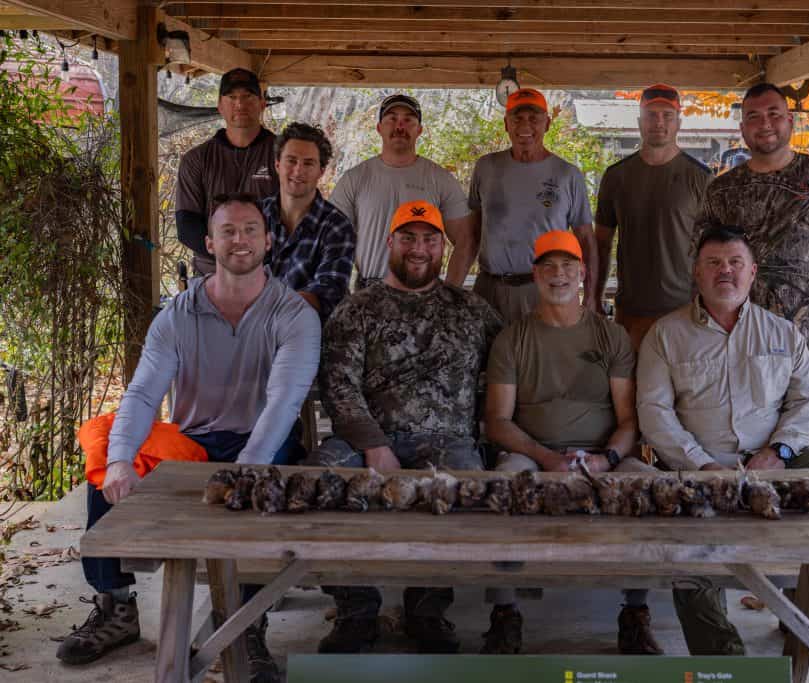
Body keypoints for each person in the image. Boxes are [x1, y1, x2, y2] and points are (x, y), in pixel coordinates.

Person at [58, 194, 321, 681]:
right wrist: (120, 461)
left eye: (249, 230)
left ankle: (247, 626)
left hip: (261, 440)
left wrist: (244, 470)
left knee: (264, 491)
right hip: (194, 438)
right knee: (106, 465)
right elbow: (141, 394)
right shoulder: (179, 313)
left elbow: (284, 401)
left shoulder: (294, 315)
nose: (239, 239)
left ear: (268, 240)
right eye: (228, 231)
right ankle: (115, 606)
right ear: (209, 242)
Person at [637, 225, 809, 656]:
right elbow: (654, 413)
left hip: (773, 460)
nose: (726, 271)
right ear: (697, 274)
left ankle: (808, 596)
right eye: (714, 263)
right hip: (699, 467)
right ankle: (722, 655)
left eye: (735, 263)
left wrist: (779, 452)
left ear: (752, 272)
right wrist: (703, 464)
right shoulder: (666, 335)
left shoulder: (781, 333)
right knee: (692, 551)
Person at [314, 200, 503, 654]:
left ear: (443, 246)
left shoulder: (472, 310)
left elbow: (509, 372)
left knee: (464, 486)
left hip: (448, 442)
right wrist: (376, 447)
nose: (419, 249)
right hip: (366, 441)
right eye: (409, 238)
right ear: (389, 243)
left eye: (430, 239)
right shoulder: (357, 309)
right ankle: (356, 612)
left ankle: (427, 611)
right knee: (319, 480)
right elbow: (339, 387)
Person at [483, 230, 661, 655]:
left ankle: (635, 613)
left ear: (583, 273)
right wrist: (545, 457)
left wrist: (608, 458)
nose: (557, 275)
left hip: (605, 456)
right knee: (503, 489)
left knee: (651, 488)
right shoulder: (513, 338)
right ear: (535, 274)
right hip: (531, 453)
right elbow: (497, 421)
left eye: (567, 266)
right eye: (548, 266)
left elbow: (628, 419)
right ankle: (504, 613)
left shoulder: (610, 336)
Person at [696, 82, 809, 445]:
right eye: (754, 117)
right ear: (742, 128)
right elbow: (705, 264)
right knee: (749, 437)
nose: (765, 124)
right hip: (744, 341)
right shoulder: (722, 190)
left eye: (774, 115)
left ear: (790, 121)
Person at [595, 84, 712, 349]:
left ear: (678, 122)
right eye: (651, 115)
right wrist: (593, 297)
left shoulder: (701, 178)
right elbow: (601, 243)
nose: (658, 122)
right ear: (639, 121)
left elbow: (713, 249)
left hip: (684, 312)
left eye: (667, 116)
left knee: (682, 390)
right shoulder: (616, 176)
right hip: (630, 311)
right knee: (629, 388)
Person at [468, 88, 597, 323]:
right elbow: (471, 235)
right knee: (485, 358)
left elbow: (586, 239)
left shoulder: (567, 174)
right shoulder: (486, 168)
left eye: (534, 119)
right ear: (506, 124)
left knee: (540, 358)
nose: (525, 126)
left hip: (543, 290)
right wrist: (451, 290)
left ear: (547, 124)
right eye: (517, 118)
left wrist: (590, 297)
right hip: (488, 288)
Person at [329, 93, 476, 288]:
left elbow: (466, 240)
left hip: (423, 294)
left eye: (408, 120)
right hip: (370, 292)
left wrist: (451, 292)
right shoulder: (354, 179)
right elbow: (331, 241)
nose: (400, 126)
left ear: (419, 130)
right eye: (392, 119)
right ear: (379, 128)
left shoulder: (440, 179)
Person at [176, 68, 278, 275]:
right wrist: (230, 256)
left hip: (270, 272)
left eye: (248, 96)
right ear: (220, 107)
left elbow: (296, 217)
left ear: (262, 104)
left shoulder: (284, 155)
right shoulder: (196, 159)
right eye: (232, 97)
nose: (240, 104)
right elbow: (187, 226)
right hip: (210, 274)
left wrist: (254, 256)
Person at [260, 122, 355, 322]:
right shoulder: (255, 217)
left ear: (321, 171)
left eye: (308, 163)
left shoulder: (337, 227)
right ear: (277, 164)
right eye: (291, 160)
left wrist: (264, 304)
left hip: (309, 335)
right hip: (253, 331)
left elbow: (327, 294)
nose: (298, 170)